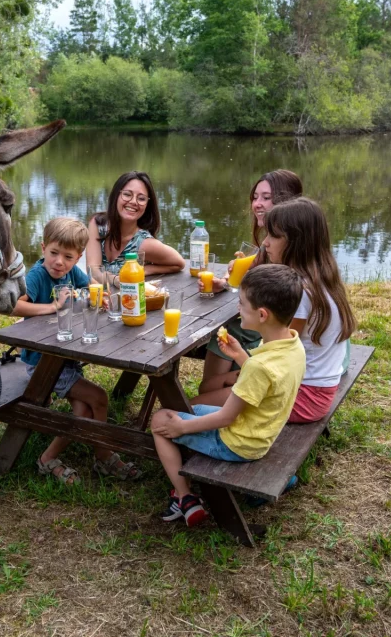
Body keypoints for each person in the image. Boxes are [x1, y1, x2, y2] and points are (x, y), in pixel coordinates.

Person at [150, 264, 306, 526]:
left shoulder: (260, 366)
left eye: (242, 304)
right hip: (262, 433)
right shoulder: (292, 344)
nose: (238, 308)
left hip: (238, 443)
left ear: (262, 315)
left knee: (161, 421)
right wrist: (241, 356)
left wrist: (181, 427)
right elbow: (267, 385)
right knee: (186, 411)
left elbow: (225, 418)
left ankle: (185, 497)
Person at [197, 198, 356, 424]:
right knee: (209, 387)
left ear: (296, 241)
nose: (265, 243)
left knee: (195, 405)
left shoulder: (302, 293)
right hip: (313, 386)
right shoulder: (320, 279)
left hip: (302, 395)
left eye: (273, 236)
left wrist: (240, 372)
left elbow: (278, 352)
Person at [12, 217, 142, 484]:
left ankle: (78, 456)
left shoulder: (71, 273)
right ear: (43, 247)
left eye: (68, 257)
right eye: (54, 253)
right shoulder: (36, 276)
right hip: (43, 362)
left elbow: (87, 288)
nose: (60, 262)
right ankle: (98, 455)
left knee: (83, 409)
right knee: (99, 398)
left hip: (66, 358)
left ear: (78, 257)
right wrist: (51, 307)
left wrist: (100, 296)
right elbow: (15, 306)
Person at [199, 170, 304, 395]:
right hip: (273, 336)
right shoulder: (269, 243)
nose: (257, 204)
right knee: (232, 329)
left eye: (266, 198)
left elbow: (288, 331)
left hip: (283, 352)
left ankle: (210, 395)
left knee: (232, 330)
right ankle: (212, 391)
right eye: (255, 197)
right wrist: (225, 284)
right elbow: (243, 277)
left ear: (287, 201)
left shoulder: (291, 250)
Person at [85, 171, 184, 288]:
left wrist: (144, 270)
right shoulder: (97, 224)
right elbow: (93, 272)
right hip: (100, 301)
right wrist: (115, 279)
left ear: (147, 205)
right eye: (127, 195)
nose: (133, 202)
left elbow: (179, 263)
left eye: (141, 198)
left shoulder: (145, 244)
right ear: (116, 195)